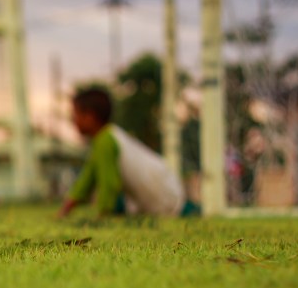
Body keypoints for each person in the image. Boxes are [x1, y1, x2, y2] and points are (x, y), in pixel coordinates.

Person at [58, 87, 199, 218]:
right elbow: (87, 179)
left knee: (190, 212)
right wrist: (66, 209)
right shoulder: (105, 138)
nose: (73, 119)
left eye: (75, 114)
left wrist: (103, 214)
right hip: (167, 188)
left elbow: (110, 183)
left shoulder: (105, 141)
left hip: (165, 196)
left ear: (90, 117)